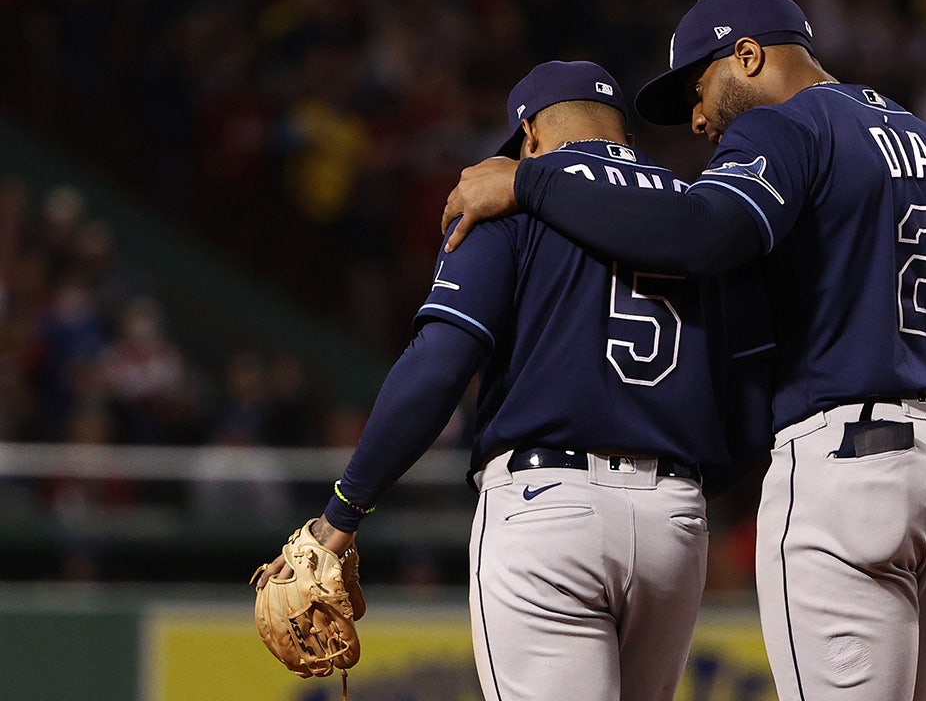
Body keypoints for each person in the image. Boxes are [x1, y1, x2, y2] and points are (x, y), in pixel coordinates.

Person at [441, 0, 926, 701]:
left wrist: (534, 181)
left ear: (749, 55)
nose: (697, 118)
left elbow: (700, 234)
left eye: (699, 87)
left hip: (853, 470)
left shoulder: (785, 128)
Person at [257, 60, 772, 700]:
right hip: (673, 519)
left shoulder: (508, 192)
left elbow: (440, 361)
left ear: (529, 135)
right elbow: (755, 395)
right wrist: (688, 490)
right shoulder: (699, 211)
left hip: (547, 511)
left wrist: (344, 511)